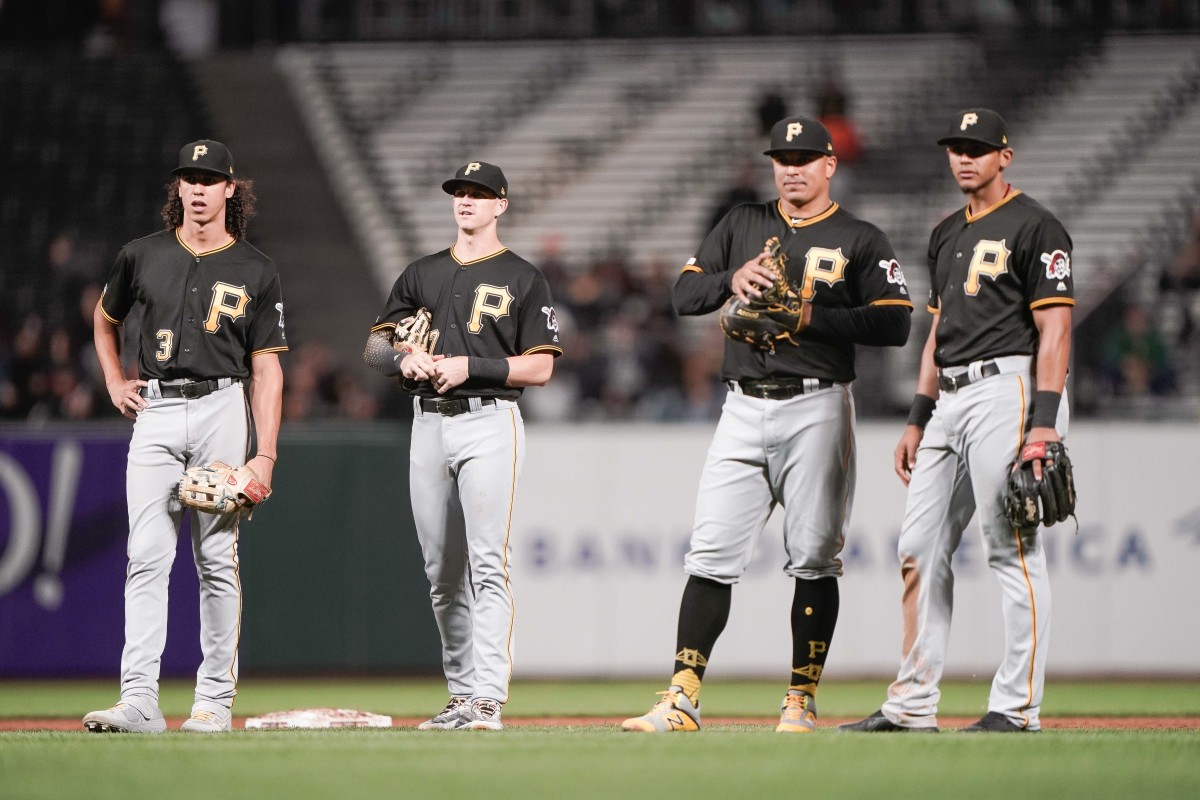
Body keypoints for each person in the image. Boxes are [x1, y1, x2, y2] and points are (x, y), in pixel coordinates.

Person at [622, 116, 913, 733]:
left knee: (814, 557)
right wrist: (729, 279)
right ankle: (682, 697)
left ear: (830, 165)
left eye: (804, 158)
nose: (791, 168)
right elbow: (683, 295)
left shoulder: (860, 237)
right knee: (710, 552)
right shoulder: (741, 223)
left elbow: (895, 322)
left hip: (818, 404)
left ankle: (800, 699)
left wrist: (808, 316)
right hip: (741, 403)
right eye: (782, 158)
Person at [840, 108, 1073, 734]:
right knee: (918, 547)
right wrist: (918, 418)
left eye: (978, 148)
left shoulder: (1037, 225)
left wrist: (1044, 423)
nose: (965, 158)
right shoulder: (945, 232)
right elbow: (937, 332)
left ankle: (1017, 707)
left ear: (1005, 156)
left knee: (1012, 547)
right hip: (949, 396)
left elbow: (1056, 329)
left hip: (1009, 387)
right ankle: (913, 704)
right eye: (957, 148)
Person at [82, 140, 286, 733]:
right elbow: (105, 318)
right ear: (178, 187)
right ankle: (139, 701)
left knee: (217, 559)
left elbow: (268, 369)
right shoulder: (141, 254)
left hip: (224, 405)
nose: (197, 188)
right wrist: (114, 379)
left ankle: (214, 702)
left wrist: (265, 454)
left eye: (209, 178)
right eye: (188, 178)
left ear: (230, 189)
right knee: (146, 556)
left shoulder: (257, 268)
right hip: (157, 408)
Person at [367, 161, 562, 731]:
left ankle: (487, 698)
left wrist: (470, 365)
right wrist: (403, 360)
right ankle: (460, 694)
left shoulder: (524, 277)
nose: (466, 200)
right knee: (441, 572)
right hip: (427, 422)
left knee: (487, 564)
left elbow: (541, 368)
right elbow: (374, 348)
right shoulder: (421, 273)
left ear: (501, 205)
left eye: (479, 193)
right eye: (460, 192)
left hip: (489, 420)